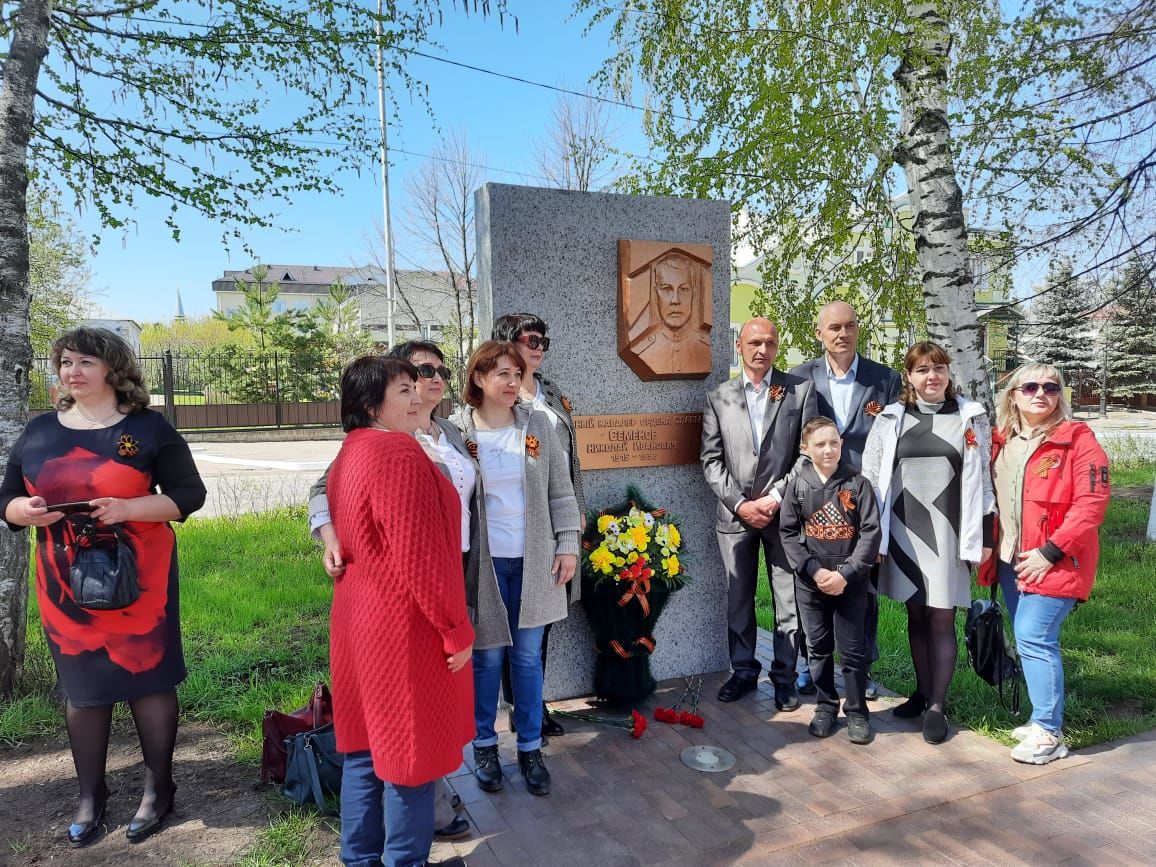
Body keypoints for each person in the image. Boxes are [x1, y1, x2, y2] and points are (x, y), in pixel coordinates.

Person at [0, 327, 206, 847]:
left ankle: (159, 790)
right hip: (65, 579)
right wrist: (21, 512)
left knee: (149, 682)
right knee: (83, 689)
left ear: (113, 369)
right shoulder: (39, 429)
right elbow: (6, 498)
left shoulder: (147, 427)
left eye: (85, 361)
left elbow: (189, 495)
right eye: (66, 361)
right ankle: (91, 796)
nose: (72, 371)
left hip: (142, 577)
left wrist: (129, 508)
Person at [307, 340, 476, 844]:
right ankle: (405, 859)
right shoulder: (398, 453)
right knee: (410, 758)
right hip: (404, 626)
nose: (416, 395)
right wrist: (455, 628)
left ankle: (358, 857)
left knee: (362, 750)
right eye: (403, 390)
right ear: (371, 405)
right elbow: (420, 557)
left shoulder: (351, 450)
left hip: (358, 620)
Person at [451, 340, 580, 798]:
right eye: (501, 373)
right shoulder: (454, 431)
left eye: (516, 373)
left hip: (534, 561)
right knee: (485, 658)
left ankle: (529, 747)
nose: (511, 382)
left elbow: (561, 492)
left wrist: (567, 545)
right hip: (483, 567)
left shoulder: (538, 425)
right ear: (479, 379)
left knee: (526, 659)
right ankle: (485, 745)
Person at [862, 341, 994, 744]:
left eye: (938, 368)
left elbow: (985, 482)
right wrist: (871, 536)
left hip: (949, 533)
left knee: (941, 615)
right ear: (909, 377)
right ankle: (920, 694)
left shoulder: (970, 417)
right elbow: (870, 475)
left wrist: (985, 537)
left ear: (948, 374)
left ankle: (937, 704)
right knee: (915, 614)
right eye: (922, 370)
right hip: (901, 531)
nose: (931, 376)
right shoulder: (890, 418)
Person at [979, 364, 1109, 764]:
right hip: (1010, 559)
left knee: (1036, 637)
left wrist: (1050, 551)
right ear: (1014, 395)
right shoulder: (1001, 441)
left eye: (1051, 387)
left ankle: (1049, 731)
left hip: (1054, 559)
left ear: (1060, 395)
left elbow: (1092, 503)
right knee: (1026, 638)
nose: (1041, 393)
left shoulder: (1078, 440)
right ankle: (1041, 720)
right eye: (1030, 386)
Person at [701, 317, 817, 710]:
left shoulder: (800, 392)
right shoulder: (719, 397)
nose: (761, 350)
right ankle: (744, 671)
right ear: (740, 346)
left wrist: (775, 497)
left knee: (788, 600)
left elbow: (808, 454)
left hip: (784, 516)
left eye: (769, 342)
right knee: (739, 599)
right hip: (735, 518)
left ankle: (784, 676)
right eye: (754, 342)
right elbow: (711, 460)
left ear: (777, 347)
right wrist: (741, 504)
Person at [789, 301, 901, 698]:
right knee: (812, 581)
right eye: (834, 327)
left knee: (862, 589)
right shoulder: (800, 378)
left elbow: (895, 441)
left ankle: (861, 670)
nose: (842, 333)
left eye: (850, 325)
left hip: (865, 499)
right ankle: (809, 664)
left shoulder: (884, 380)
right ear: (819, 333)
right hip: (815, 500)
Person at [492, 313, 585, 741]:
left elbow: (569, 460)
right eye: (531, 338)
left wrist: (575, 511)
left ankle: (533, 702)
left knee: (541, 621)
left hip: (556, 522)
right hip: (516, 530)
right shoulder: (499, 403)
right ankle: (521, 708)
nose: (540, 347)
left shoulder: (552, 391)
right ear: (507, 341)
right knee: (516, 625)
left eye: (544, 339)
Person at [779, 417, 881, 744]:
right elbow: (789, 533)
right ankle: (825, 705)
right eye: (820, 444)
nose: (828, 450)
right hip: (812, 582)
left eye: (834, 443)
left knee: (852, 650)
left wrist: (846, 574)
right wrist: (813, 570)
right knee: (818, 646)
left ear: (841, 444)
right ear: (804, 449)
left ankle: (856, 710)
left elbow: (869, 533)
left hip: (850, 583)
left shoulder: (857, 484)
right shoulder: (799, 486)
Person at [626, 251, 712, 376]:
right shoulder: (642, 349)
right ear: (656, 294)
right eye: (666, 289)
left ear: (694, 293)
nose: (675, 300)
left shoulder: (705, 348)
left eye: (683, 289)